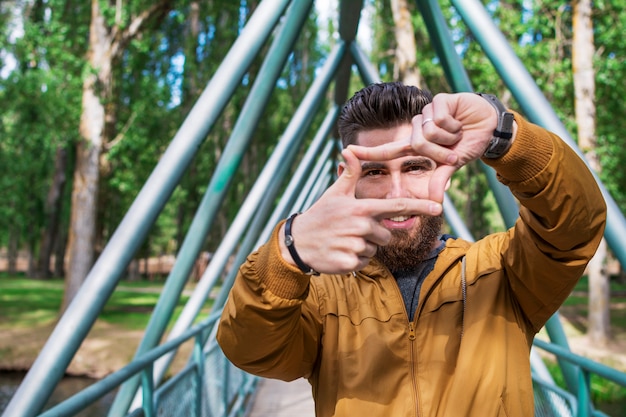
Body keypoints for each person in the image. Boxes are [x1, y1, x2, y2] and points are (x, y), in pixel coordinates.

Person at [216, 82, 606, 417]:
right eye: (374, 172)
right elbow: (250, 349)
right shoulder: (320, 295)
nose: (397, 195)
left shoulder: (503, 273)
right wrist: (289, 251)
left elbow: (577, 221)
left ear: (442, 170)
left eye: (415, 168)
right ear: (346, 180)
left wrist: (505, 136)